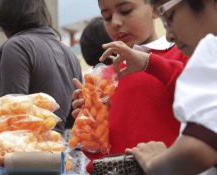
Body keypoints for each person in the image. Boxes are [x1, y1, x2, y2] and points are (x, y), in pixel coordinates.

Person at [71, 0, 188, 173]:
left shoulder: (181, 53)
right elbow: (98, 153)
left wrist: (149, 63)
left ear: (155, 10)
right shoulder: (105, 76)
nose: (115, 23)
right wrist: (90, 124)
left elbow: (199, 95)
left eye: (125, 11)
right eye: (107, 17)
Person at [119, 0, 217, 174]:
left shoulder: (210, 49)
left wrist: (154, 162)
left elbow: (197, 151)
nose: (169, 34)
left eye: (169, 17)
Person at [0, 0, 82, 134]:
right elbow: (74, 117)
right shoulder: (70, 55)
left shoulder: (17, 46)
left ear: (6, 20)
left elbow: (13, 115)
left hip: (25, 149)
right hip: (57, 148)